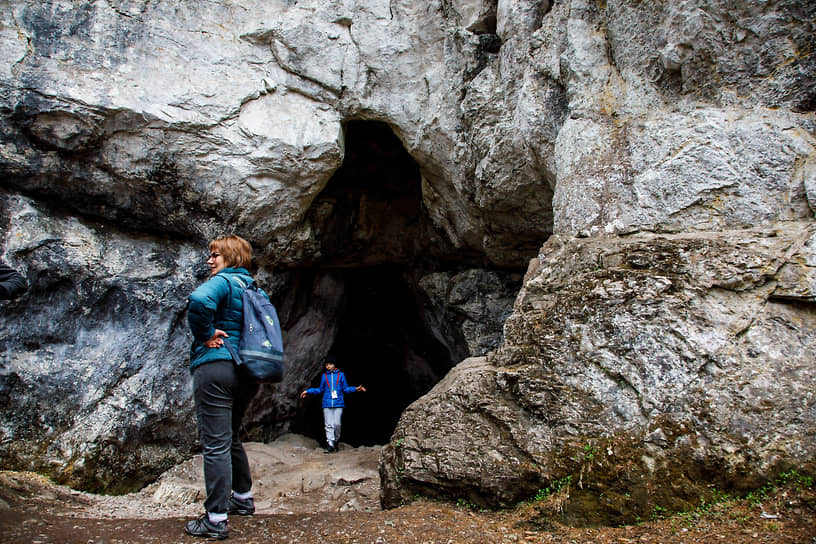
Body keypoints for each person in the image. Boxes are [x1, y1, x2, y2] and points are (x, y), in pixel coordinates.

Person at [184, 235, 262, 540]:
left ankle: (215, 519)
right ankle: (242, 499)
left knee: (214, 443)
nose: (210, 260)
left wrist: (204, 334)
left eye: (215, 255)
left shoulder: (225, 281)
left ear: (231, 257)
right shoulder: (254, 287)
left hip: (217, 366)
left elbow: (199, 301)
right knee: (230, 437)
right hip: (247, 372)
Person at [299, 356, 366, 453]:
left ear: (334, 365)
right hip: (326, 403)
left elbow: (345, 389)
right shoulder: (324, 376)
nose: (328, 366)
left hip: (338, 403)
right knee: (329, 425)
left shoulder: (341, 375)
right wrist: (308, 391)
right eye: (326, 364)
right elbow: (320, 389)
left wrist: (356, 389)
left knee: (337, 424)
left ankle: (335, 441)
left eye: (330, 364)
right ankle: (330, 444)